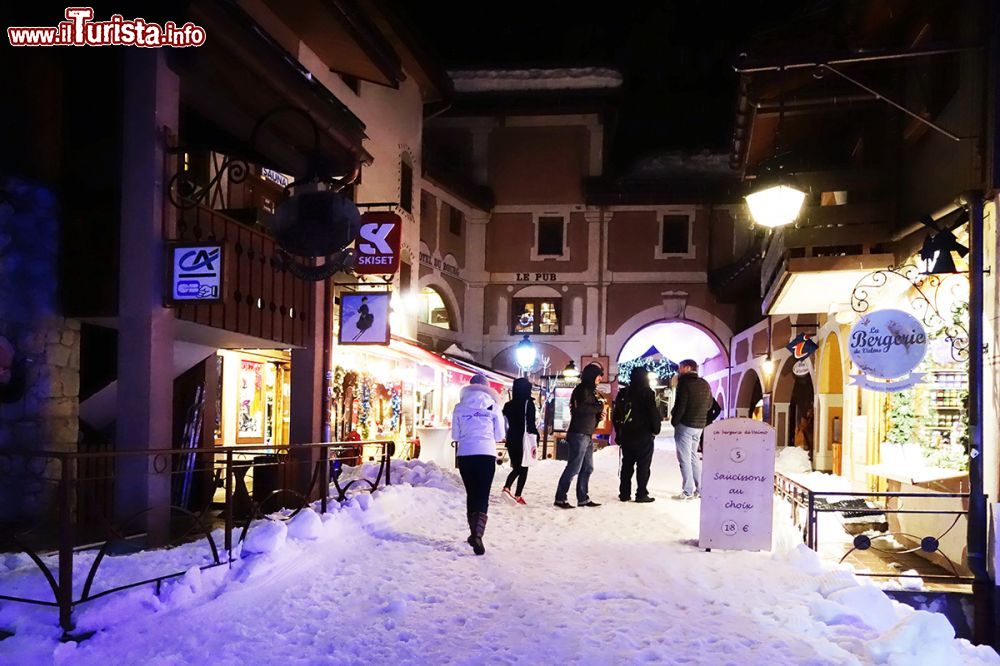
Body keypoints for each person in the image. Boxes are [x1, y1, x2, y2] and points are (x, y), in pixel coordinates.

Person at [451, 374, 504, 555]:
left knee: (471, 493)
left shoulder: (459, 407)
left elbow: (455, 435)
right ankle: (477, 534)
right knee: (483, 494)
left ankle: (473, 532)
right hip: (486, 454)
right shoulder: (493, 406)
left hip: (466, 454)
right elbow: (499, 436)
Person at [554, 363, 605, 509]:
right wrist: (598, 408)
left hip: (587, 433)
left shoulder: (591, 391)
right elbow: (581, 408)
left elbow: (588, 411)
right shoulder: (581, 389)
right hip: (578, 433)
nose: (600, 378)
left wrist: (598, 416)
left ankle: (583, 498)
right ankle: (560, 498)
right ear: (592, 376)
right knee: (574, 467)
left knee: (587, 467)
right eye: (598, 375)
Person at [613, 366, 662, 503]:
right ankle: (641, 494)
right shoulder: (647, 393)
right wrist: (655, 430)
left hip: (627, 435)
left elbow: (616, 415)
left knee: (627, 464)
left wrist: (618, 432)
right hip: (643, 435)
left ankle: (624, 493)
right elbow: (653, 413)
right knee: (643, 466)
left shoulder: (623, 393)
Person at [670, 359, 714, 500]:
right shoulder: (705, 383)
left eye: (680, 368)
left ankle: (687, 491)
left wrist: (675, 421)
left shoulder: (685, 384)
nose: (678, 370)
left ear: (688, 368)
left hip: (685, 425)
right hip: (699, 426)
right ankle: (700, 489)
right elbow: (709, 405)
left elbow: (680, 405)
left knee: (684, 459)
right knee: (693, 457)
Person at [502, 377, 538, 505]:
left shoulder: (508, 405)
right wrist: (535, 437)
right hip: (524, 440)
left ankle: (510, 490)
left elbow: (505, 423)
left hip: (511, 439)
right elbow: (531, 423)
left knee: (516, 466)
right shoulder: (529, 404)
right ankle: (513, 492)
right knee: (523, 467)